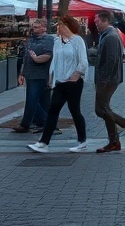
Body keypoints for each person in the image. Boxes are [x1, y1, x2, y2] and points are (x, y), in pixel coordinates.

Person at [28, 15, 90, 153]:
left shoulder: (77, 41)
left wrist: (76, 75)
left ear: (67, 26)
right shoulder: (57, 42)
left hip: (73, 83)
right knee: (53, 110)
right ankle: (44, 142)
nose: (58, 27)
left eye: (60, 25)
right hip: (60, 81)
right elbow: (55, 60)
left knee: (75, 111)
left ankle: (82, 141)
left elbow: (83, 61)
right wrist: (51, 76)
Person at [92, 11, 125, 152]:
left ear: (106, 21)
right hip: (106, 78)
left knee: (101, 109)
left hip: (108, 79)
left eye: (98, 22)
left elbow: (112, 60)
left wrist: (104, 80)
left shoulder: (111, 37)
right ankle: (114, 141)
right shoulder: (107, 35)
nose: (96, 24)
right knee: (103, 109)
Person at [12, 18, 53, 133]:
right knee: (41, 101)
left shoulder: (49, 40)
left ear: (44, 28)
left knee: (32, 100)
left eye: (36, 27)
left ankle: (26, 124)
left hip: (41, 74)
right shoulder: (31, 40)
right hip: (30, 74)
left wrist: (36, 59)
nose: (33, 29)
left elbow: (48, 55)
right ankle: (45, 123)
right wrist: (22, 73)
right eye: (33, 27)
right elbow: (26, 57)